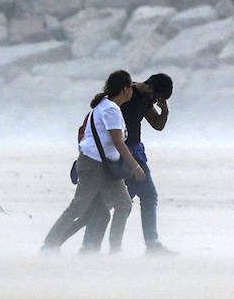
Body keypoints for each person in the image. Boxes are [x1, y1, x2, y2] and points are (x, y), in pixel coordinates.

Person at [40, 70, 145, 256]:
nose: (132, 91)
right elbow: (118, 142)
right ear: (124, 89)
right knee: (79, 207)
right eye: (130, 87)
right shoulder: (110, 109)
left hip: (105, 166)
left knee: (122, 204)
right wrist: (134, 166)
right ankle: (49, 246)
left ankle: (111, 250)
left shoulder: (104, 106)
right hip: (93, 165)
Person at [80, 73, 174, 255]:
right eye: (158, 97)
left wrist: (165, 111)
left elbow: (157, 124)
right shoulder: (128, 94)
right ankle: (148, 245)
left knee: (120, 200)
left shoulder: (146, 99)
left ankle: (91, 245)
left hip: (134, 153)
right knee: (130, 198)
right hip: (123, 155)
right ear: (151, 88)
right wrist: (131, 163)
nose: (156, 101)